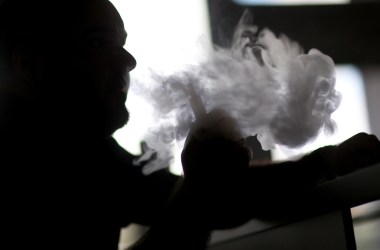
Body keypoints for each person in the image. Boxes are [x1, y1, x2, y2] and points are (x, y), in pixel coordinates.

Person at [0, 0, 379, 249]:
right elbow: (198, 199)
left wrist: (324, 163)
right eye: (99, 44)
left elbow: (206, 199)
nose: (128, 61)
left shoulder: (85, 152)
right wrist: (202, 189)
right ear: (31, 65)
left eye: (123, 43)